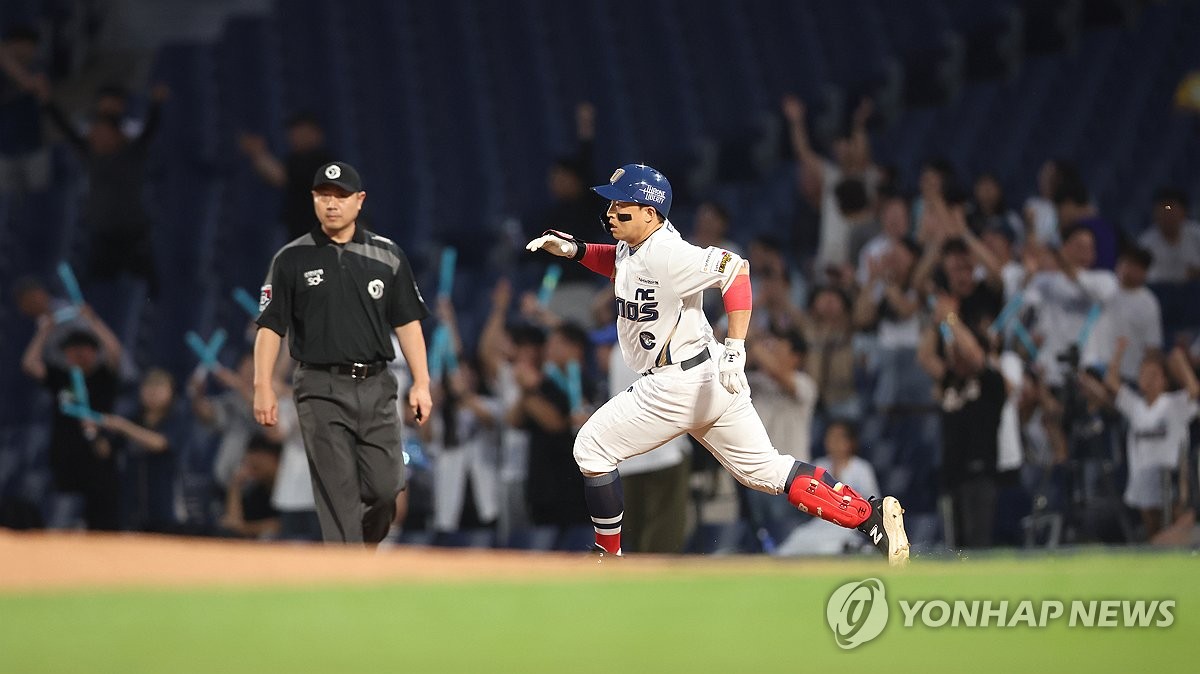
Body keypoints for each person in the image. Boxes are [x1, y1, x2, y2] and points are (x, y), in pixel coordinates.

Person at [526, 163, 908, 564]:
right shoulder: (636, 244)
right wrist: (577, 250)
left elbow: (735, 269)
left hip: (678, 380)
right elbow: (623, 267)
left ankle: (607, 557)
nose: (610, 213)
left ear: (650, 214)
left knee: (591, 447)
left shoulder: (670, 253)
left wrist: (736, 346)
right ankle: (869, 517)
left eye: (622, 207)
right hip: (705, 379)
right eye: (611, 205)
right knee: (766, 472)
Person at [252, 161, 432, 545]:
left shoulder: (387, 255)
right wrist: (262, 385)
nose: (332, 204)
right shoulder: (291, 258)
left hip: (377, 385)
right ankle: (349, 574)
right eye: (324, 195)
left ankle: (357, 553)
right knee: (340, 495)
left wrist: (422, 382)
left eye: (341, 196)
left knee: (387, 489)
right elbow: (270, 326)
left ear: (359, 201)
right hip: (319, 386)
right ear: (313, 200)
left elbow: (409, 322)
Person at [21, 307, 124, 530]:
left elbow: (115, 352)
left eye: (84, 349)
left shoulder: (104, 376)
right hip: (65, 456)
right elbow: (29, 364)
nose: (78, 354)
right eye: (72, 350)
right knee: (63, 518)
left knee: (101, 523)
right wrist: (45, 331)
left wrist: (93, 321)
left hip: (98, 459)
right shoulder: (61, 378)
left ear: (94, 352)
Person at [238, 112, 335, 240]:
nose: (296, 136)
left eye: (302, 132)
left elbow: (280, 176)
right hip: (300, 230)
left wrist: (258, 152)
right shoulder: (295, 159)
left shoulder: (321, 161)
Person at [1138, 187, 1200, 284]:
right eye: (1160, 208)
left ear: (1183, 211)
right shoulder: (1146, 243)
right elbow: (1145, 277)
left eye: (1169, 207)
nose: (1165, 213)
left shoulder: (1196, 234)